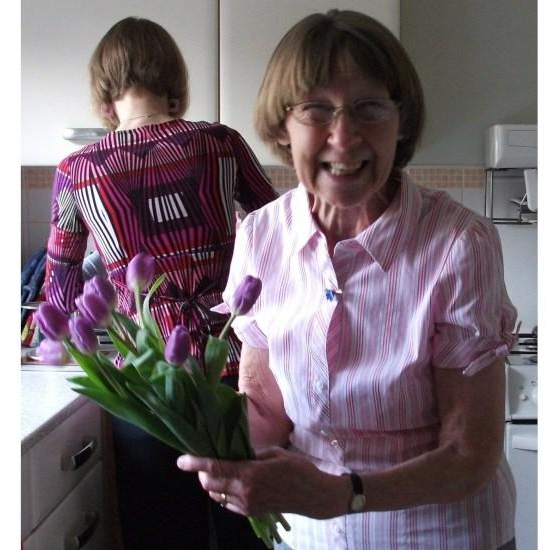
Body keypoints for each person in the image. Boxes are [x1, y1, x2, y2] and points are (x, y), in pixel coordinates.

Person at [177, 10, 518, 550]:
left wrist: (344, 494)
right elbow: (266, 408)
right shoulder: (261, 237)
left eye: (369, 108)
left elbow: (468, 457)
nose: (344, 135)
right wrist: (195, 425)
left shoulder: (459, 244)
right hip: (309, 539)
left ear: (399, 121)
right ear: (282, 127)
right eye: (316, 110)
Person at [42, 16, 277, 550]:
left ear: (105, 89)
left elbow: (58, 290)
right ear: (174, 78)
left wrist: (41, 343)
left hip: (146, 386)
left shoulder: (77, 170)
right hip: (235, 371)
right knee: (249, 535)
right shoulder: (220, 144)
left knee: (163, 538)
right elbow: (284, 235)